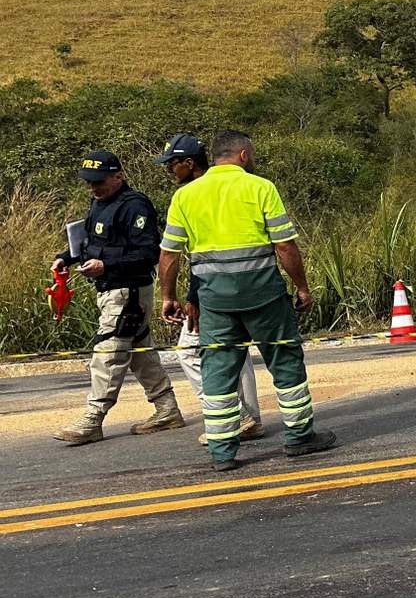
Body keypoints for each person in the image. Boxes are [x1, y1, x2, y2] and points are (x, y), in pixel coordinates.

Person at [158, 130, 337, 472]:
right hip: (264, 296)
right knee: (284, 359)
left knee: (218, 370)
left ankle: (222, 451)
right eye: (250, 154)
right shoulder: (260, 187)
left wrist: (168, 296)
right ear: (242, 156)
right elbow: (285, 246)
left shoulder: (186, 196)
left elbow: (169, 253)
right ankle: (299, 437)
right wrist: (302, 287)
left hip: (214, 301)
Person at [54, 151, 184, 445]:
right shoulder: (98, 204)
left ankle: (93, 418)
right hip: (109, 290)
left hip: (128, 292)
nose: (93, 188)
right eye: (89, 183)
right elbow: (88, 243)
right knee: (140, 352)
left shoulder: (135, 206)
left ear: (118, 176)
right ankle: (167, 409)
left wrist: (107, 266)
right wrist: (65, 259)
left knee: (108, 353)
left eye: (99, 182)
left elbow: (150, 253)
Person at [155, 134, 263, 442]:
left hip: (212, 287)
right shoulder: (238, 185)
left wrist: (186, 296)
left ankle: (231, 415)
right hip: (248, 279)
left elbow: (181, 252)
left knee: (190, 350)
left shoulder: (191, 194)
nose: (169, 171)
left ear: (189, 164)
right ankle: (249, 417)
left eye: (172, 165)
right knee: (236, 347)